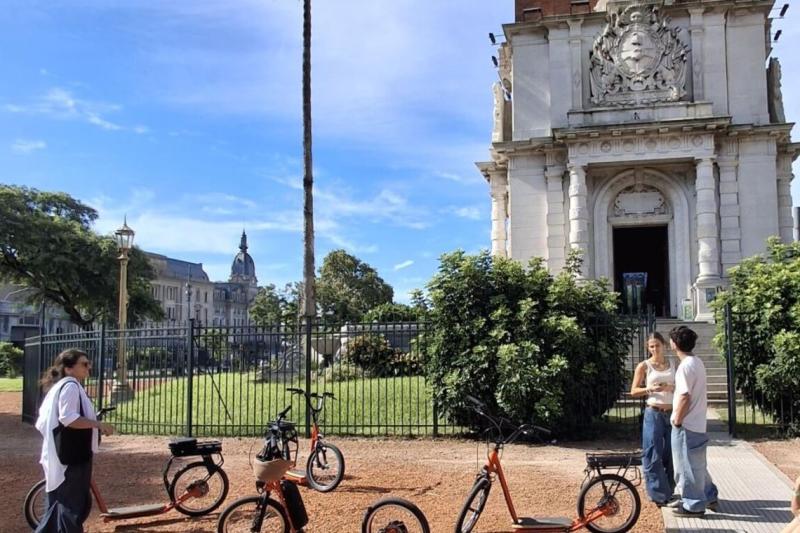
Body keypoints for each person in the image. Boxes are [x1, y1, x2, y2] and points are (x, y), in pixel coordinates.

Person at [35, 348, 114, 533]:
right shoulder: (70, 386)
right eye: (84, 364)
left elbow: (43, 421)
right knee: (71, 507)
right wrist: (98, 424)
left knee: (60, 506)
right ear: (69, 368)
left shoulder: (63, 386)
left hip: (63, 454)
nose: (89, 367)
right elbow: (68, 418)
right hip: (72, 457)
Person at [668, 325, 719, 516]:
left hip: (686, 425)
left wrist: (677, 421)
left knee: (685, 467)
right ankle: (710, 495)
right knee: (698, 464)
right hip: (698, 422)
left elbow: (684, 396)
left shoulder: (684, 368)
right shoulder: (697, 362)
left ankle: (693, 505)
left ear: (674, 344)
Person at [630, 331, 676, 506]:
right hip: (653, 412)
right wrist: (650, 389)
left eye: (657, 345)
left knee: (672, 453)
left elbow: (682, 385)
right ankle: (658, 494)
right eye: (651, 346)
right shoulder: (644, 366)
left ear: (664, 345)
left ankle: (669, 491)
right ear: (648, 348)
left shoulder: (673, 363)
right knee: (652, 452)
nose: (655, 349)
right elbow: (634, 391)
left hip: (671, 412)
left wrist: (671, 386)